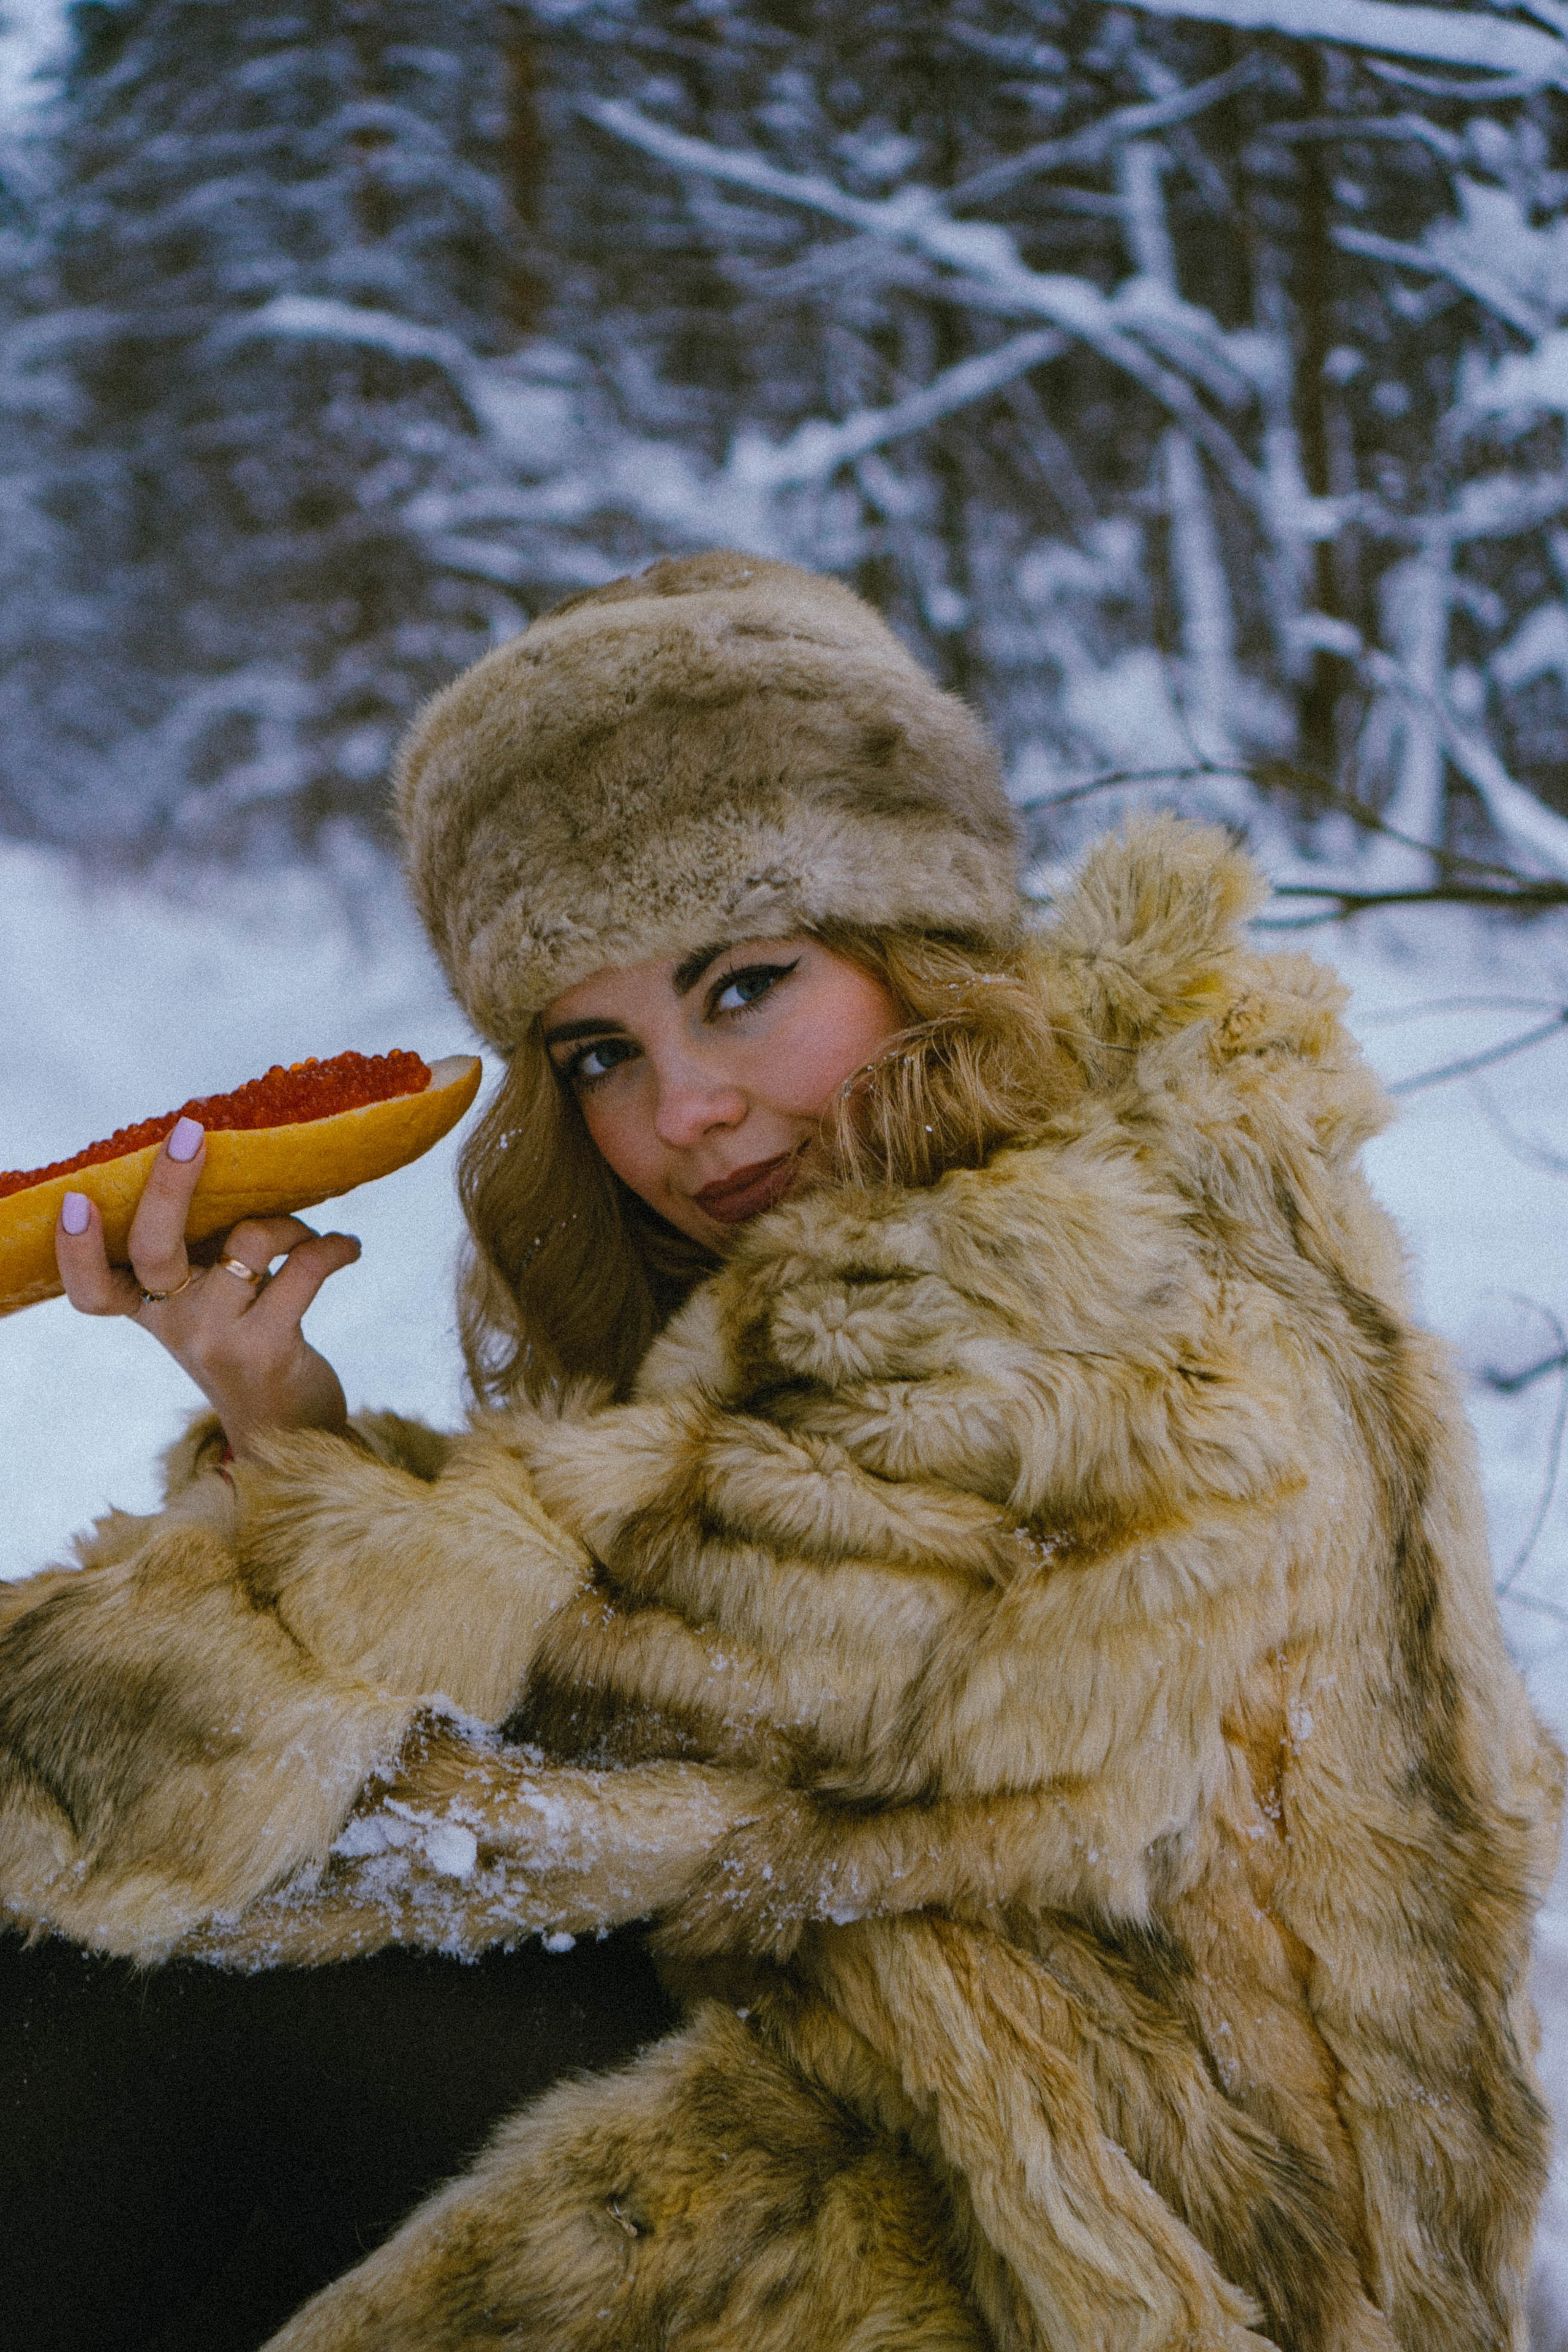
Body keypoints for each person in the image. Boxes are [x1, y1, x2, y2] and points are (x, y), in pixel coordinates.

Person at [1, 551, 1559, 2352]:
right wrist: (287, 1430)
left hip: (1092, 2232)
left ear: (920, 948)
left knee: (99, 2030)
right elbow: (613, 1682)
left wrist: (208, 1640)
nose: (682, 1110)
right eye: (596, 1050)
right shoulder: (1045, 1207)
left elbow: (566, 1774)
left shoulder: (1082, 1321)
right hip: (913, 2064)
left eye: (742, 985)